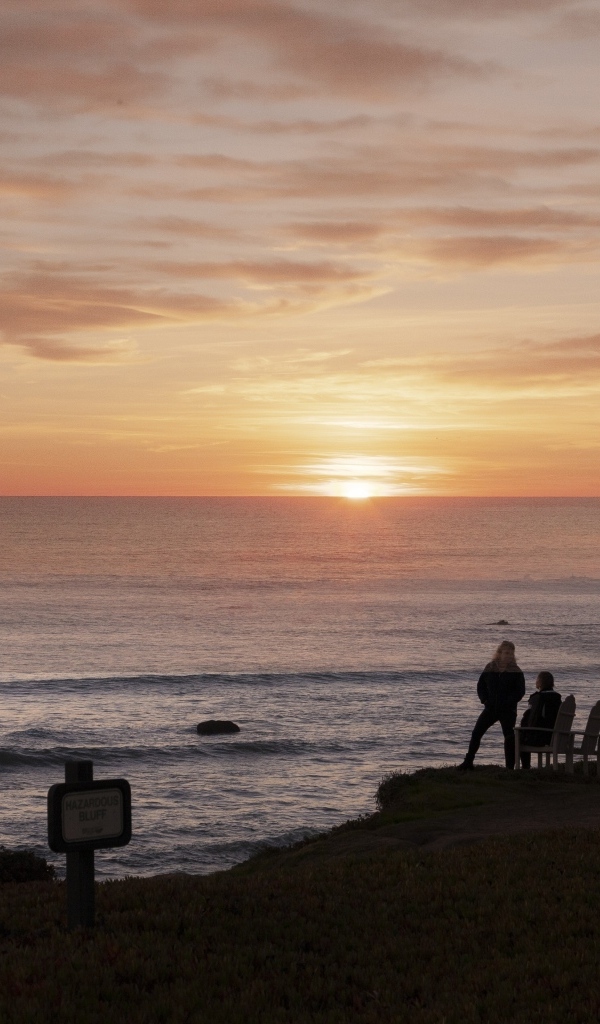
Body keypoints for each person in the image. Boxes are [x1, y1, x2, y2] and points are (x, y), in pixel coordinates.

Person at [458, 640, 526, 771]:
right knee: (476, 733)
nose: (509, 655)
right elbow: (481, 685)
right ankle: (468, 762)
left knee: (509, 737)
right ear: (499, 653)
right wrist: (484, 700)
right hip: (490, 708)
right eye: (506, 653)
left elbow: (520, 692)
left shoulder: (516, 671)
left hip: (508, 710)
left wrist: (508, 702)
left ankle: (509, 768)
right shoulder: (490, 667)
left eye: (511, 653)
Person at [518, 671, 561, 769]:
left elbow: (529, 721)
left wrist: (523, 730)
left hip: (541, 737)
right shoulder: (558, 699)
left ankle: (524, 768)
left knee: (513, 738)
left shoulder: (538, 698)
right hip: (556, 737)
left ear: (540, 683)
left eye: (537, 679)